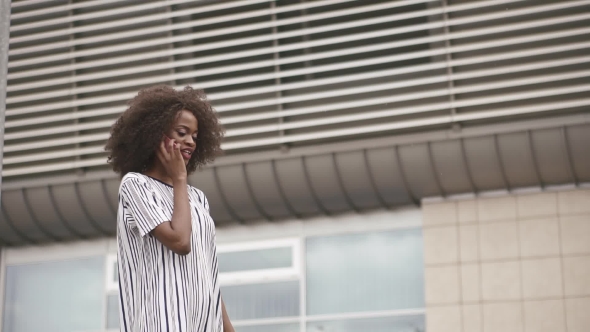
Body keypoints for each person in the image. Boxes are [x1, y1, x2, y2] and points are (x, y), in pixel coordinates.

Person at [105, 85, 234, 332]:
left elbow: (206, 270)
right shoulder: (136, 185)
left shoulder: (197, 198)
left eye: (195, 136)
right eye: (182, 132)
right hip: (161, 322)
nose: (190, 142)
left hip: (203, 324)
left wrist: (228, 328)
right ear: (155, 134)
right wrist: (180, 179)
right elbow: (180, 242)